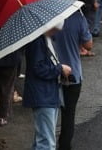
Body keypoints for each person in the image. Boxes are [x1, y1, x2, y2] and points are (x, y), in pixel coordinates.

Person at [23, 22, 72, 150]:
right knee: (47, 142)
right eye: (55, 28)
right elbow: (38, 68)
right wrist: (59, 69)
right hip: (43, 95)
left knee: (43, 139)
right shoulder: (38, 42)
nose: (56, 31)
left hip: (48, 94)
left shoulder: (46, 39)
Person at [55, 11, 93, 150]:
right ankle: (64, 145)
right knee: (68, 114)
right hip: (72, 74)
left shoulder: (49, 17)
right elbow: (88, 45)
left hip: (51, 73)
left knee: (49, 114)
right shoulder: (78, 17)